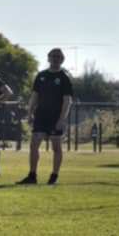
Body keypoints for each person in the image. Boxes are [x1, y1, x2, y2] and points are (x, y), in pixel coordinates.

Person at [19, 48, 74, 185]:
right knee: (34, 145)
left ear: (62, 60)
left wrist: (62, 119)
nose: (55, 59)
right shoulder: (41, 76)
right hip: (41, 116)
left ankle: (54, 176)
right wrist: (30, 113)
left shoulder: (64, 78)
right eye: (53, 56)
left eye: (58, 57)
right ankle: (32, 176)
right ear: (48, 58)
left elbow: (67, 100)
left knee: (56, 147)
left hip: (56, 117)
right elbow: (34, 96)